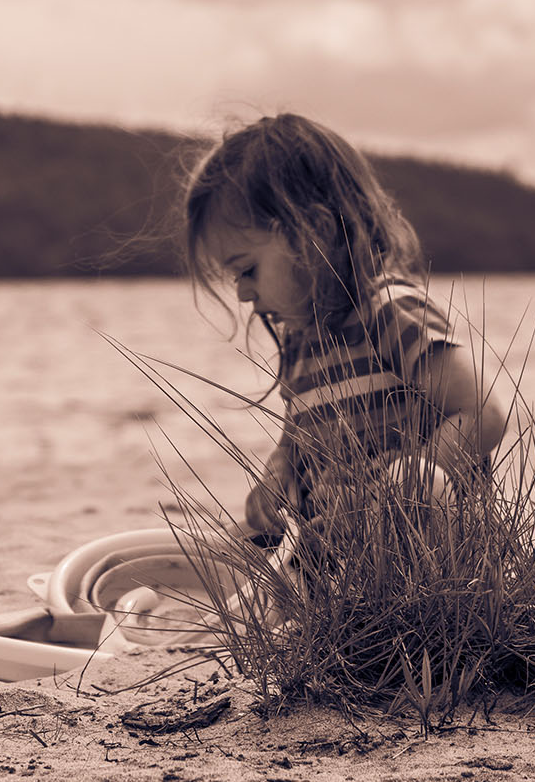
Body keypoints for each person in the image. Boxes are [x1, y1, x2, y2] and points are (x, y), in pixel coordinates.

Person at [182, 114, 510, 538]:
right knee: (233, 539)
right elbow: (296, 444)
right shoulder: (301, 345)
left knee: (423, 482)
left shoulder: (390, 311)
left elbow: (484, 411)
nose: (244, 295)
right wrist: (274, 483)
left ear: (310, 233)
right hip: (348, 551)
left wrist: (403, 493)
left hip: (435, 549)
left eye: (247, 270)